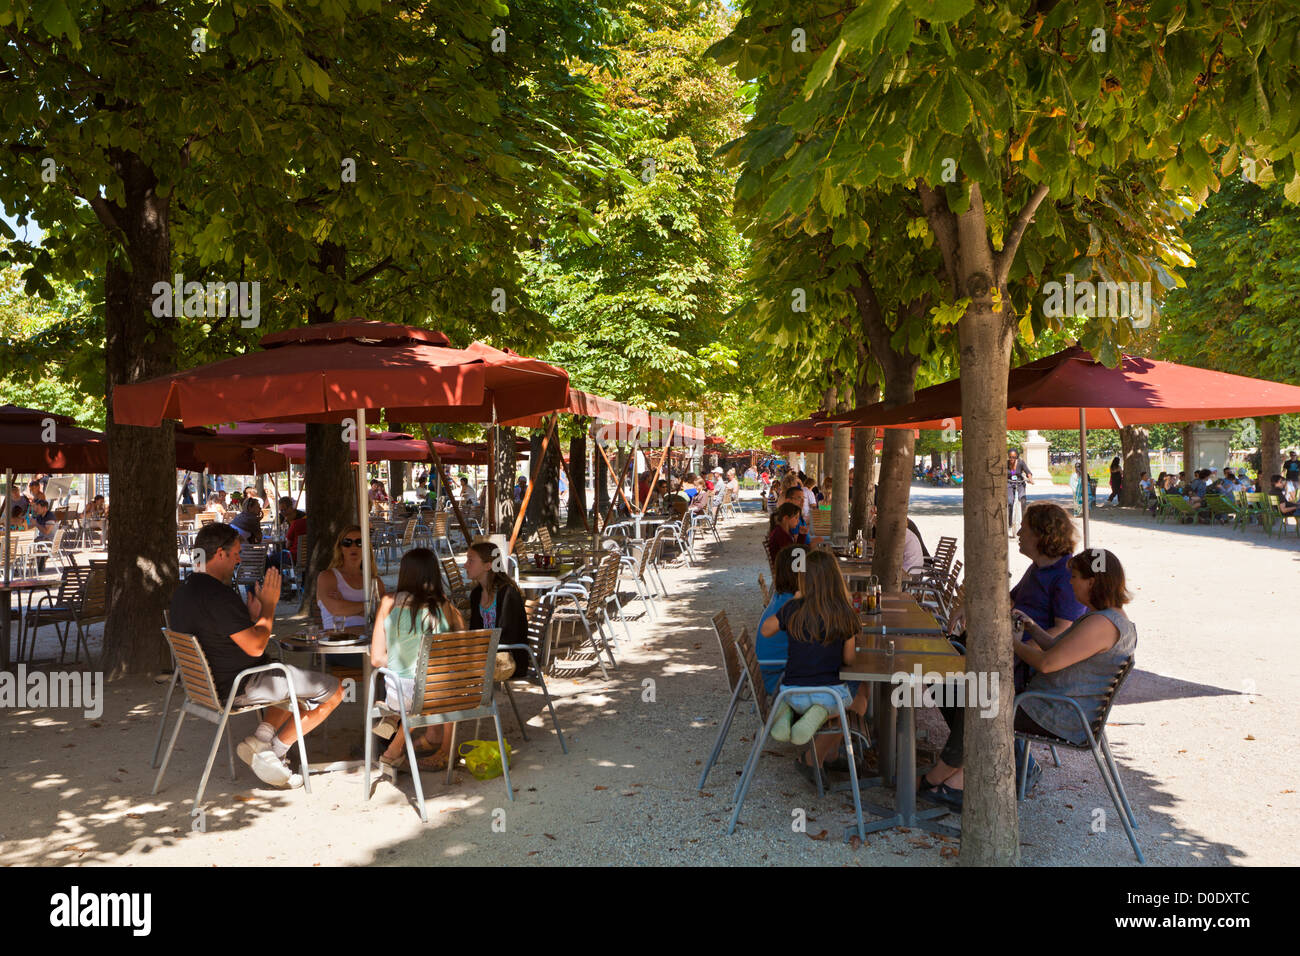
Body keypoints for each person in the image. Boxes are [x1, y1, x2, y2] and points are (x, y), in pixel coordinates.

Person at [922, 548, 1135, 812]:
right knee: (973, 690)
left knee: (983, 697)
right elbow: (1057, 647)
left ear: (1092, 582)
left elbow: (1047, 664)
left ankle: (957, 780)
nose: (1071, 583)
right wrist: (1032, 627)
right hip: (1056, 706)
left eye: (1075, 577)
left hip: (1055, 713)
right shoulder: (1111, 618)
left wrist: (1010, 642)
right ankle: (961, 770)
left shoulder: (1101, 624)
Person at [170, 523, 344, 788]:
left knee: (288, 684)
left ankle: (259, 741)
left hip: (204, 686)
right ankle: (275, 751)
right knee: (336, 692)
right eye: (237, 553)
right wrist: (269, 608)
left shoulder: (183, 593)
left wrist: (253, 617)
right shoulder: (219, 595)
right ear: (220, 554)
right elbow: (255, 648)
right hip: (240, 685)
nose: (240, 558)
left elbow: (219, 633)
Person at [759, 550, 868, 780]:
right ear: (836, 580)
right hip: (829, 694)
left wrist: (792, 604)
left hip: (790, 691)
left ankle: (787, 713)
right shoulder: (845, 614)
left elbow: (766, 630)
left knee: (799, 696)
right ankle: (821, 718)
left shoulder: (793, 609)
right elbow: (849, 660)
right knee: (860, 693)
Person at [370, 548, 466, 772]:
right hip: (445, 692)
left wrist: (401, 662)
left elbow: (376, 658)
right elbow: (461, 648)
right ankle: (439, 745)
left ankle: (394, 744)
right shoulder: (444, 605)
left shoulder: (388, 603)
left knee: (420, 689)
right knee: (442, 680)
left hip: (401, 694)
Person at [465, 540, 529, 678]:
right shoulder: (476, 594)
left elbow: (509, 636)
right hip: (487, 656)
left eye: (471, 561)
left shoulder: (507, 593)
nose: (465, 565)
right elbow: (475, 631)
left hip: (508, 660)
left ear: (488, 565)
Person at [317, 525, 386, 629]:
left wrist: (348, 606)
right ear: (340, 548)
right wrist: (370, 607)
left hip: (369, 639)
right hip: (337, 640)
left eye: (359, 543)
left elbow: (384, 614)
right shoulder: (327, 577)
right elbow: (336, 609)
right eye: (347, 543)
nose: (353, 547)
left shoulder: (375, 581)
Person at [756, 544, 800, 696]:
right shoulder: (794, 605)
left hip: (773, 671)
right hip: (779, 677)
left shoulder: (781, 597)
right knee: (858, 687)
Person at [1006, 449, 1032, 534]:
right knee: (1010, 502)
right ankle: (1010, 525)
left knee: (1023, 499)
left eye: (1013, 457)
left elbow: (1028, 472)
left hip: (1020, 483)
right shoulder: (1006, 464)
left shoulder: (1021, 463)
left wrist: (1030, 479)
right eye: (1010, 457)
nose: (1011, 459)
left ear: (1016, 456)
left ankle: (1024, 523)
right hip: (1009, 483)